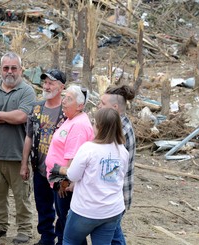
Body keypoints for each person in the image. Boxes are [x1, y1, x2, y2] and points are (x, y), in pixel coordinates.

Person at [50, 108, 129, 245]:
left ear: (99, 126)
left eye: (94, 123)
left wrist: (62, 169)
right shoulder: (122, 151)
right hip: (112, 210)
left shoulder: (88, 149)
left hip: (86, 210)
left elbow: (73, 176)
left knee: (69, 241)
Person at [0, 52, 36, 244]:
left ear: (21, 70)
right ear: (0, 69)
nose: (10, 72)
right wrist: (7, 117)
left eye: (14, 68)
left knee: (22, 197)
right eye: (6, 68)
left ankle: (24, 230)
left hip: (18, 155)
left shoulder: (27, 91)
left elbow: (21, 117)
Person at [20, 69, 66, 245]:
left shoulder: (67, 109)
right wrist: (24, 164)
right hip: (39, 167)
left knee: (62, 207)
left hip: (59, 169)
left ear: (61, 87)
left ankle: (62, 239)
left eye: (51, 83)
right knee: (43, 205)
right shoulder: (36, 108)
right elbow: (29, 137)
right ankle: (46, 238)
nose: (46, 86)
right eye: (45, 82)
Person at [45, 85, 94, 245]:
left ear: (80, 105)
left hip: (65, 184)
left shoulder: (79, 125)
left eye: (69, 99)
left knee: (69, 227)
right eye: (64, 97)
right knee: (64, 222)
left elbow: (73, 158)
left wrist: (63, 183)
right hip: (59, 179)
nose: (64, 101)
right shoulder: (71, 119)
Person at [98, 85, 136, 245]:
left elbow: (109, 169)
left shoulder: (120, 131)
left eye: (102, 104)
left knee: (113, 237)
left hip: (115, 196)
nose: (99, 107)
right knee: (112, 234)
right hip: (114, 196)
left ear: (114, 107)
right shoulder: (119, 125)